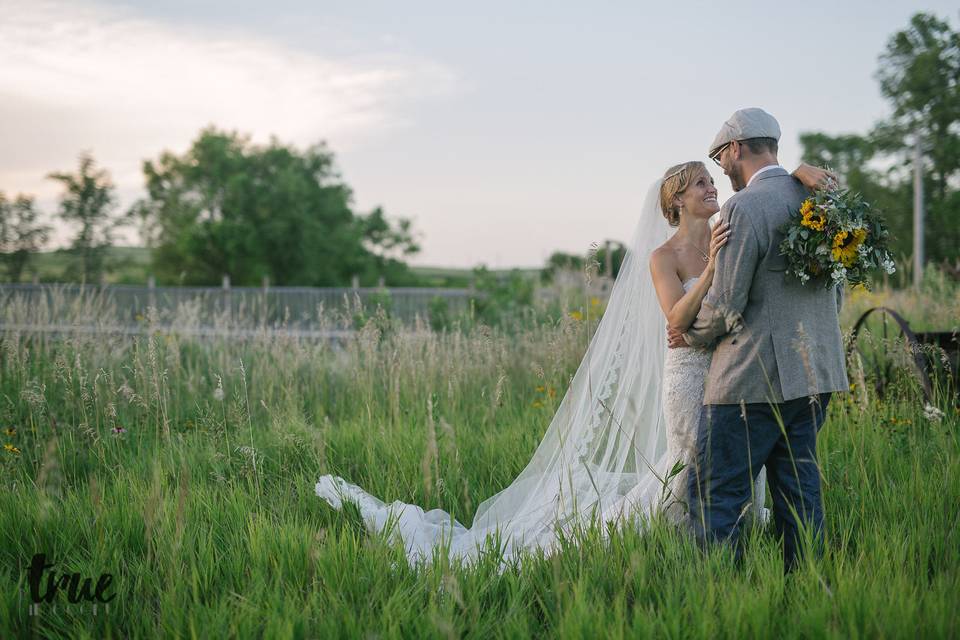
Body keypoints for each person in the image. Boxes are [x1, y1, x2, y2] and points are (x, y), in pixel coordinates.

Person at [681, 108, 849, 572]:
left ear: (736, 148)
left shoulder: (745, 207)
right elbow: (837, 291)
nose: (721, 171)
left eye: (720, 159)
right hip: (816, 373)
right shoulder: (821, 198)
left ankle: (720, 599)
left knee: (717, 496)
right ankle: (808, 587)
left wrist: (688, 332)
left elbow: (725, 304)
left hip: (749, 381)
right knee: (800, 493)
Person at [648, 158, 832, 525]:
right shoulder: (663, 257)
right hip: (689, 374)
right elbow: (676, 319)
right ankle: (682, 538)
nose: (712, 187)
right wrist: (713, 268)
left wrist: (797, 172)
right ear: (678, 200)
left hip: (737, 367)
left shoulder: (735, 227)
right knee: (692, 459)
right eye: (701, 183)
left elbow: (767, 194)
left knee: (745, 459)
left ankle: (739, 530)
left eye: (712, 180)